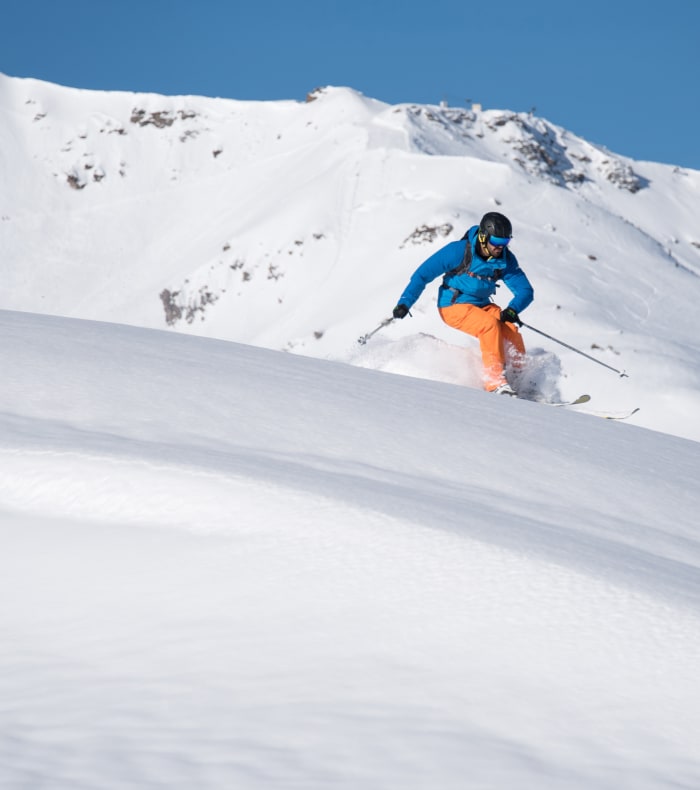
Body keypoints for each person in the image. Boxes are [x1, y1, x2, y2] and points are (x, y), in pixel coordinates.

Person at [392, 211, 533, 396]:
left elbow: (525, 290)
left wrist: (513, 310)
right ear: (483, 237)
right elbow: (422, 274)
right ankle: (495, 382)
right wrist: (405, 302)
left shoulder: (505, 259)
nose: (501, 247)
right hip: (453, 305)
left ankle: (521, 382)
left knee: (509, 329)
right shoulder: (458, 251)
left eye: (505, 242)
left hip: (481, 304)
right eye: (497, 242)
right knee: (489, 326)